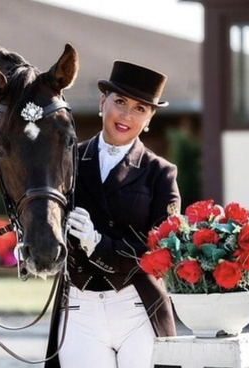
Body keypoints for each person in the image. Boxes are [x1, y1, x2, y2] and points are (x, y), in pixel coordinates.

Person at [45, 60, 181, 368]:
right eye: (120, 102)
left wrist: (99, 243)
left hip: (137, 306)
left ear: (149, 119)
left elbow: (161, 252)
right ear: (102, 102)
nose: (126, 115)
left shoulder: (160, 173)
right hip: (80, 307)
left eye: (139, 109)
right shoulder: (68, 161)